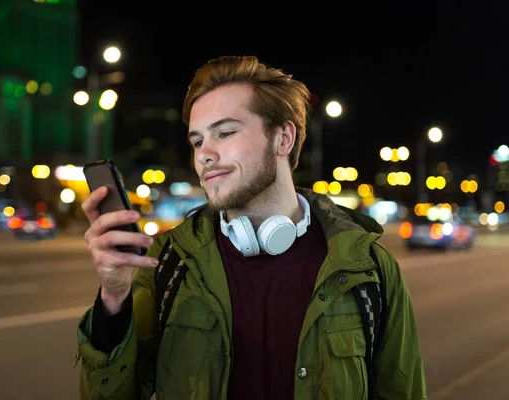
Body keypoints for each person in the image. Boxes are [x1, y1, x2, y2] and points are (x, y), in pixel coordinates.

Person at [76, 55, 427, 400]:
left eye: (225, 133)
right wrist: (113, 299)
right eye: (197, 141)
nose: (204, 155)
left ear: (283, 139)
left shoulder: (369, 270)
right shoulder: (169, 261)